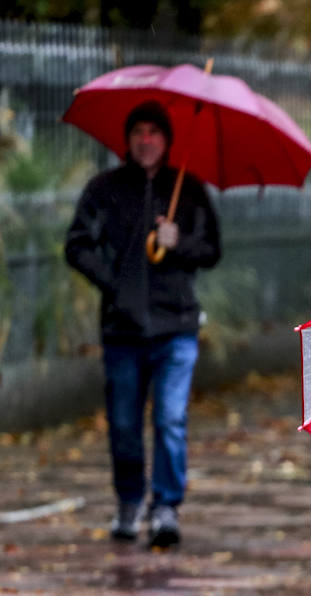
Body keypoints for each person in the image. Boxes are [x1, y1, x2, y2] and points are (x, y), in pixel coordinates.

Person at [64, 100, 222, 548]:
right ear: (128, 139)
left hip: (176, 328)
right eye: (139, 131)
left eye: (155, 132)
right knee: (124, 423)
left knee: (171, 419)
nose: (146, 139)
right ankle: (129, 501)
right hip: (122, 331)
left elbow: (212, 250)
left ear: (167, 140)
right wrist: (115, 284)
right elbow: (77, 245)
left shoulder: (188, 190)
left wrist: (179, 241)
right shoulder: (104, 189)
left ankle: (167, 505)